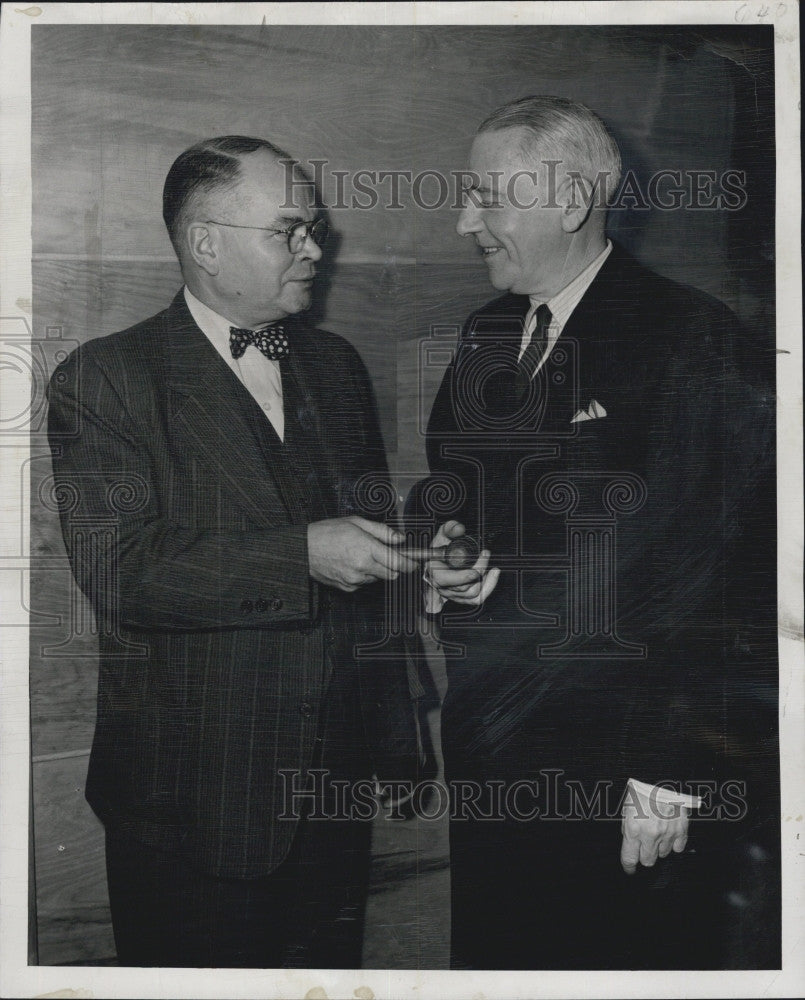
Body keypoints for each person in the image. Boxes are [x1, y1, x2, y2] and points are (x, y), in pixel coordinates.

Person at [408, 97, 775, 969]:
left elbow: (730, 572)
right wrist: (446, 553)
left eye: (486, 198)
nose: (466, 221)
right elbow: (447, 484)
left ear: (569, 202)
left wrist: (673, 768)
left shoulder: (692, 339)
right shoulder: (487, 332)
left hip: (625, 769)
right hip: (496, 746)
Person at [46, 135, 423, 968]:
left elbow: (365, 545)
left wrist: (425, 570)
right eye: (289, 229)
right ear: (206, 242)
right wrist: (300, 556)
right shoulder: (105, 378)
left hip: (332, 790)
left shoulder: (336, 365)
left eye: (313, 228)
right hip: (191, 803)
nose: (314, 249)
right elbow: (120, 569)